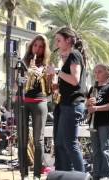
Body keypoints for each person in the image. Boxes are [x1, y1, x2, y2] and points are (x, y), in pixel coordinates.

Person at [47, 27, 86, 172]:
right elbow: (68, 82)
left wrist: (57, 71)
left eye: (59, 40)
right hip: (64, 105)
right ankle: (65, 173)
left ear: (68, 40)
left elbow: (75, 80)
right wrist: (55, 84)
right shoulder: (70, 57)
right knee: (60, 144)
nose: (56, 43)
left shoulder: (75, 54)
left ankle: (81, 175)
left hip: (72, 105)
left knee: (70, 144)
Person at [15, 34, 51, 179]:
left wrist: (44, 76)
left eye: (41, 46)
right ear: (31, 46)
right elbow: (15, 84)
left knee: (38, 140)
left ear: (44, 49)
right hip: (22, 100)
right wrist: (23, 78)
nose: (37, 49)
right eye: (35, 45)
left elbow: (48, 90)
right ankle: (23, 173)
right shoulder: (23, 62)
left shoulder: (47, 65)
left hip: (39, 102)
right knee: (22, 138)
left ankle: (37, 174)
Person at [86, 64, 109, 180]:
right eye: (95, 72)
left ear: (107, 73)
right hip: (94, 122)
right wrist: (88, 103)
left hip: (105, 122)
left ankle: (105, 175)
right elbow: (86, 103)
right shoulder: (92, 88)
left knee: (105, 149)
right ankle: (96, 174)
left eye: (99, 71)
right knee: (95, 150)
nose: (96, 74)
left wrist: (96, 108)